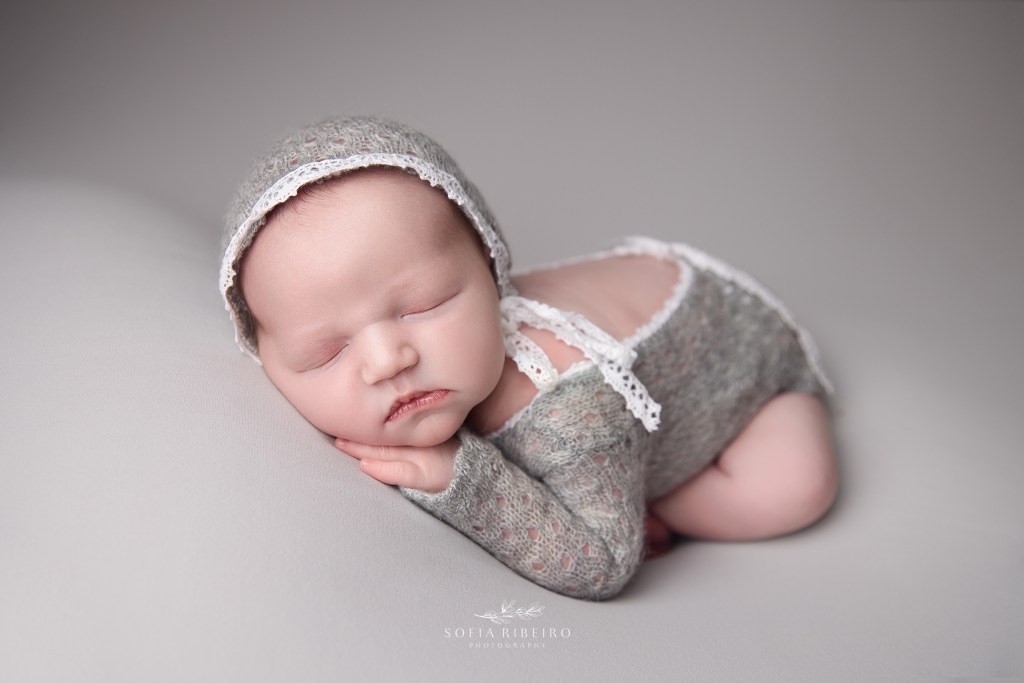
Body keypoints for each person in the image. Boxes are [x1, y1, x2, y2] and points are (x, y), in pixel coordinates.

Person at [220, 116, 838, 600]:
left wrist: (465, 479)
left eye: (423, 305)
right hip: (630, 300)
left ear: (492, 269)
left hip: (736, 349)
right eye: (325, 352)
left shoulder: (564, 398)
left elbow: (602, 561)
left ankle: (649, 490)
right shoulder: (432, 355)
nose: (387, 360)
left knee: (793, 487)